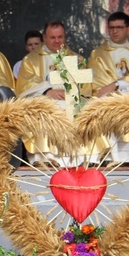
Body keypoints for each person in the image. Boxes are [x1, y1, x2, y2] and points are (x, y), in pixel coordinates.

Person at [15, 20, 99, 165]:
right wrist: (46, 91)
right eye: (53, 38)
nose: (57, 41)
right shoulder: (31, 60)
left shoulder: (75, 58)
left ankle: (81, 158)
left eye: (60, 37)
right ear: (45, 38)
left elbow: (86, 87)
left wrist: (71, 93)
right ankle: (46, 158)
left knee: (84, 110)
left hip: (71, 100)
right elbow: (24, 84)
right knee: (45, 111)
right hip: (45, 99)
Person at [88, 11, 129, 163]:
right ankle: (112, 155)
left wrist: (119, 84)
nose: (115, 31)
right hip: (110, 96)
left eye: (119, 27)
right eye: (111, 28)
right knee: (103, 105)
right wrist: (118, 87)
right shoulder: (98, 54)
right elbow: (99, 81)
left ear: (128, 29)